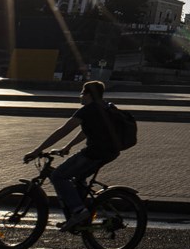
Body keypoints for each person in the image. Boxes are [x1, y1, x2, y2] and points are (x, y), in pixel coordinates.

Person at [23, 81, 121, 231]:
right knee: (78, 179)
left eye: (82, 93)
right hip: (110, 152)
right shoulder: (106, 106)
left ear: (88, 95)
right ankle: (81, 216)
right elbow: (86, 131)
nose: (80, 97)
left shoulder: (87, 110)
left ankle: (78, 211)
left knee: (58, 176)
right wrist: (68, 146)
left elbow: (63, 130)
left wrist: (37, 150)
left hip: (94, 153)